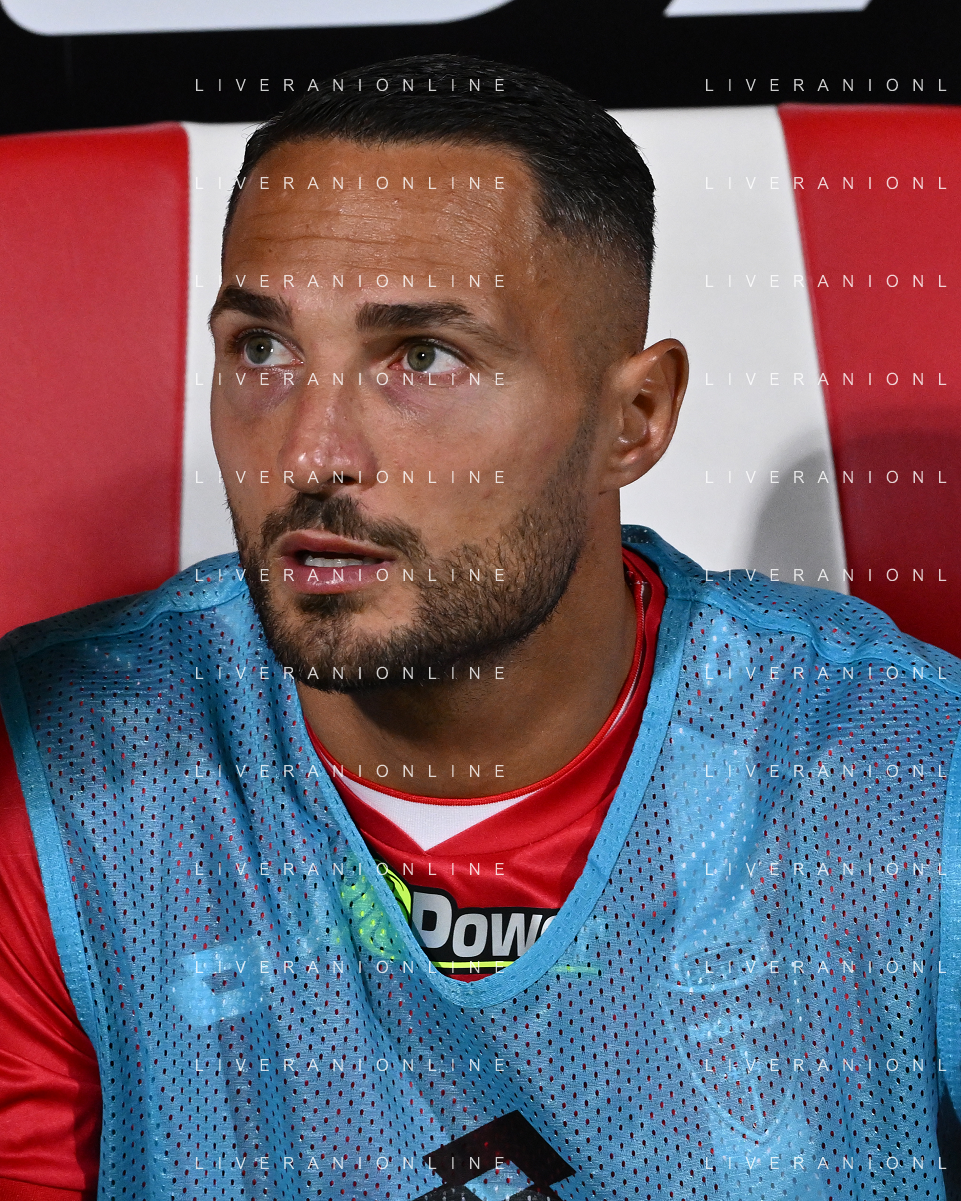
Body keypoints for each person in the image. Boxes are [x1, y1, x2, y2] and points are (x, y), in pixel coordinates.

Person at [0, 52, 958, 1201]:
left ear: (633, 418)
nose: (309, 454)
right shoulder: (57, 773)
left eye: (423, 357)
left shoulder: (907, 774)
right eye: (263, 348)